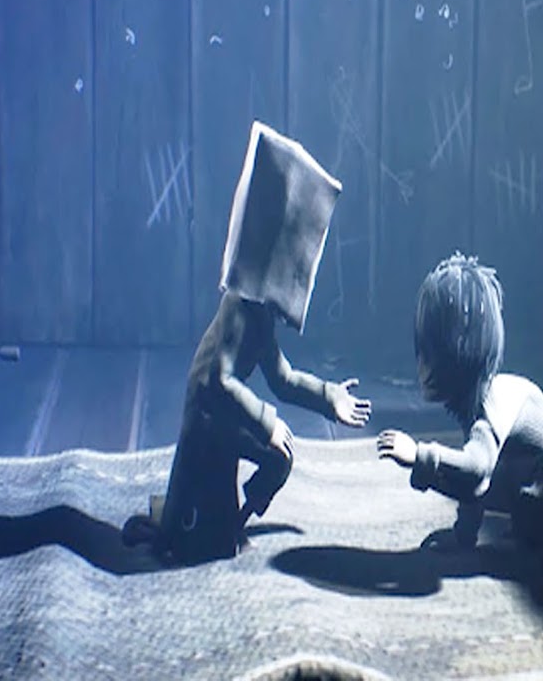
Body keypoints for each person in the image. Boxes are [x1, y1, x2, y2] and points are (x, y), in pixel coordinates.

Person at [124, 121, 371, 563]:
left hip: (221, 414)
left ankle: (233, 522)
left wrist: (328, 396)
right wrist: (267, 422)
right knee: (272, 459)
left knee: (279, 458)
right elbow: (219, 381)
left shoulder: (259, 316)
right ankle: (210, 529)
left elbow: (282, 378)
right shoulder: (239, 309)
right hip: (208, 416)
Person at [377, 252, 543, 578]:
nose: (420, 368)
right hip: (520, 477)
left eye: (429, 355)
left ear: (458, 354)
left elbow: (477, 469)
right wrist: (464, 534)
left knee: (540, 569)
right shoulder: (474, 405)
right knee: (453, 475)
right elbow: (473, 484)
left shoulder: (493, 401)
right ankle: (540, 543)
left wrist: (420, 454)